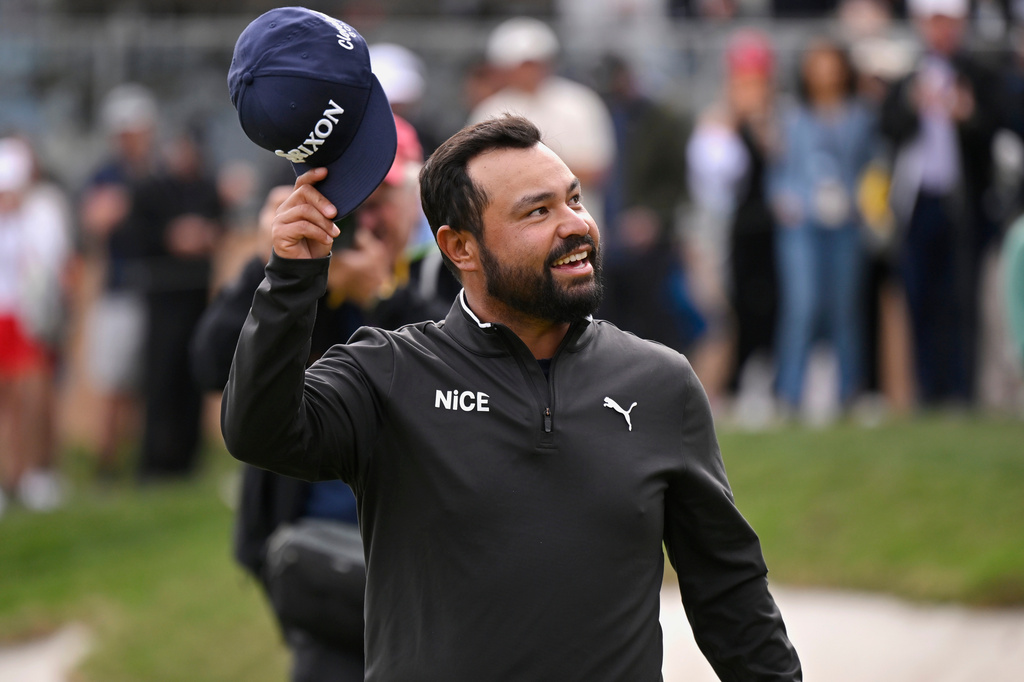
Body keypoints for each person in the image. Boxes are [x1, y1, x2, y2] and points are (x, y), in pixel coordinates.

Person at [221, 114, 801, 680]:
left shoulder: (660, 381)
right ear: (461, 248)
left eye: (574, 200)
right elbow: (259, 431)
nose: (575, 224)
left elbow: (728, 588)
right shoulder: (389, 370)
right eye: (538, 211)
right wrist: (293, 277)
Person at [192, 114, 451, 682]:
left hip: (416, 557)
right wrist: (285, 279)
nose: (370, 219)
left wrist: (380, 297)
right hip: (311, 548)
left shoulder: (448, 270)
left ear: (419, 196)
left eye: (385, 199)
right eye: (358, 201)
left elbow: (442, 386)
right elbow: (212, 364)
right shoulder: (301, 265)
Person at [880, 0, 1004, 406]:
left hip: (962, 208)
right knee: (920, 298)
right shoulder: (908, 78)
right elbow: (888, 129)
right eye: (935, 22)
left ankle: (961, 391)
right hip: (918, 206)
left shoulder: (980, 77)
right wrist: (913, 105)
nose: (942, 31)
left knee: (960, 300)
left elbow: (996, 138)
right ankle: (927, 390)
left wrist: (966, 116)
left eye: (948, 23)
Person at [768, 38, 879, 415]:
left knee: (845, 308)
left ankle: (850, 392)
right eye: (817, 64)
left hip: (846, 222)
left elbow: (874, 169)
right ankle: (789, 394)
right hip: (801, 225)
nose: (824, 72)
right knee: (802, 304)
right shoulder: (792, 117)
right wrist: (783, 199)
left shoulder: (860, 116)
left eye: (830, 64)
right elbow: (778, 173)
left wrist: (864, 203)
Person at [127, 126, 224, 479]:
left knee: (191, 375)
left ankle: (187, 459)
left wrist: (204, 235)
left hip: (196, 294)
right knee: (161, 377)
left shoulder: (206, 189)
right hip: (162, 296)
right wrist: (172, 238)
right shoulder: (151, 190)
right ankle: (154, 461)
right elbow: (137, 236)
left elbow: (219, 228)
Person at [78, 83, 160, 476]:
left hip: (156, 289)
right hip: (121, 288)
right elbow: (95, 220)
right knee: (114, 382)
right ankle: (106, 463)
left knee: (142, 383)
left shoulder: (154, 172)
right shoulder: (107, 175)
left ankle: (136, 458)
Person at [467, 16, 616, 227]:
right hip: (516, 228)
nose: (529, 71)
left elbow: (596, 171)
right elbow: (481, 176)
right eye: (521, 64)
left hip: (578, 221)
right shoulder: (489, 110)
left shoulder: (580, 102)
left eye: (534, 63)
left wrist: (524, 170)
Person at [0, 136, 71, 515]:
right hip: (3, 318)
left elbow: (49, 260)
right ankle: (8, 477)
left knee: (32, 398)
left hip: (27, 319)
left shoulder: (42, 211)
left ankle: (33, 474)